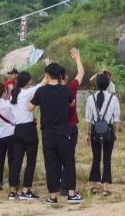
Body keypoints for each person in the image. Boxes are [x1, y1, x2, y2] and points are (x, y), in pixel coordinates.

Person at [29, 62, 82, 205]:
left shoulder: (41, 91)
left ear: (47, 75)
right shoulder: (65, 90)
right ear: (60, 75)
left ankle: (53, 197)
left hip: (48, 134)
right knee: (69, 163)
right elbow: (71, 103)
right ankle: (72, 195)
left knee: (51, 165)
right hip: (64, 133)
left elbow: (30, 107)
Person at [85, 72, 121, 196]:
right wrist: (115, 133)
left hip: (95, 130)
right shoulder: (113, 98)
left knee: (96, 158)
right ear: (108, 84)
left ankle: (95, 186)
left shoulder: (90, 98)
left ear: (96, 84)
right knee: (107, 158)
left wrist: (88, 133)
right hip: (109, 130)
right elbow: (116, 119)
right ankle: (105, 187)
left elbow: (88, 119)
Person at [10, 71, 43, 201]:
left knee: (16, 160)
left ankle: (13, 191)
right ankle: (26, 190)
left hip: (17, 129)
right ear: (28, 81)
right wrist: (47, 68)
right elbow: (43, 83)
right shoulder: (27, 92)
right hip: (28, 129)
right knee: (31, 160)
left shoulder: (14, 94)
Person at [60, 48, 84, 197]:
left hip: (56, 129)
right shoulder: (71, 88)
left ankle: (58, 186)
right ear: (66, 77)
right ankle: (67, 188)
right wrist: (77, 59)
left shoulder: (48, 91)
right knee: (69, 158)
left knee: (57, 158)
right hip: (70, 128)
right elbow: (81, 73)